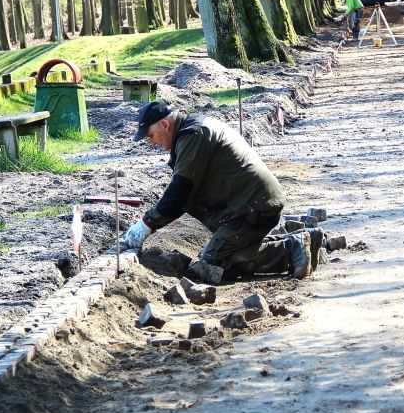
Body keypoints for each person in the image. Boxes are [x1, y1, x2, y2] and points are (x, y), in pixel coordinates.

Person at [122, 101, 315, 283]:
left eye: (150, 136)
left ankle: (291, 249)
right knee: (222, 252)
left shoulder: (193, 135)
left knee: (215, 264)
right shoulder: (191, 131)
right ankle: (308, 241)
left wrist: (146, 224)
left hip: (253, 207)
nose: (151, 142)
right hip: (250, 203)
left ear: (164, 124)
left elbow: (180, 192)